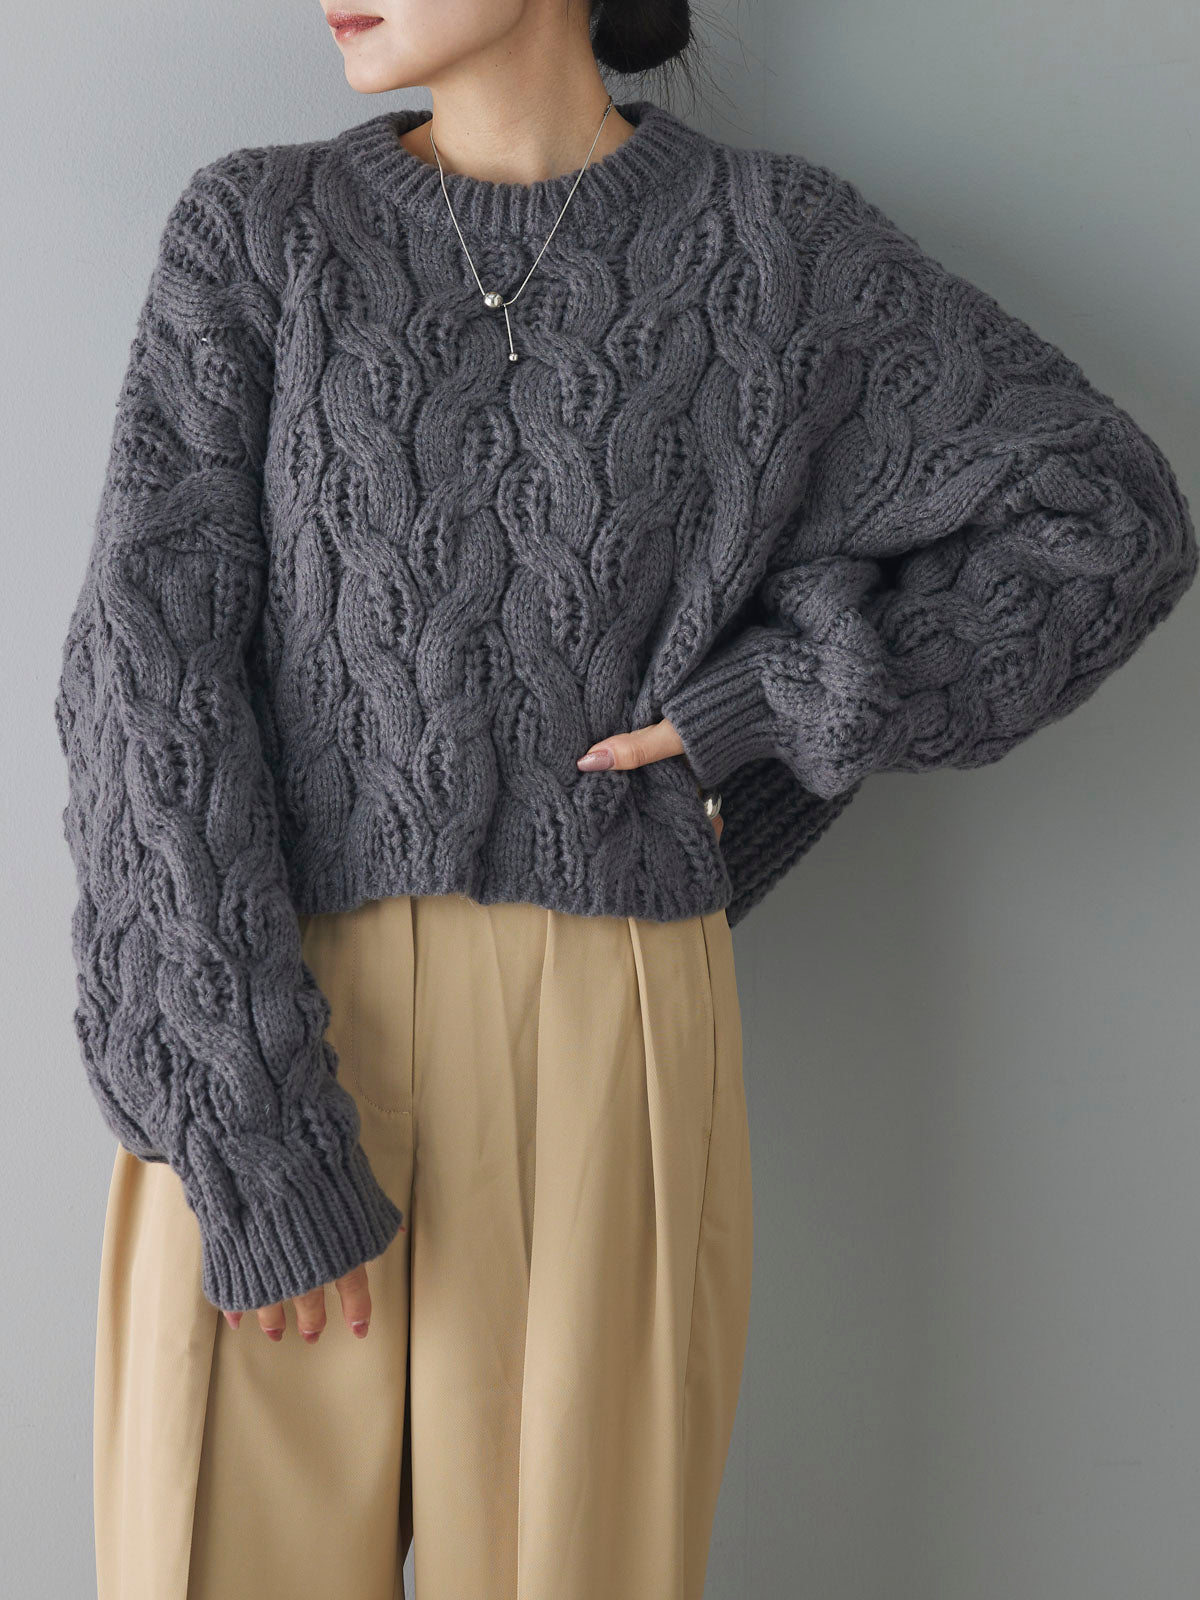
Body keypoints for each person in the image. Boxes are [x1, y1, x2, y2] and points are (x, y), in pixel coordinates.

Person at [53, 2, 1196, 1597]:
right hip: (254, 1016)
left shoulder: (777, 249)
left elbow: (1104, 518)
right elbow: (143, 680)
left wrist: (765, 714)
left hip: (604, 1036)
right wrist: (248, 1123)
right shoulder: (257, 232)